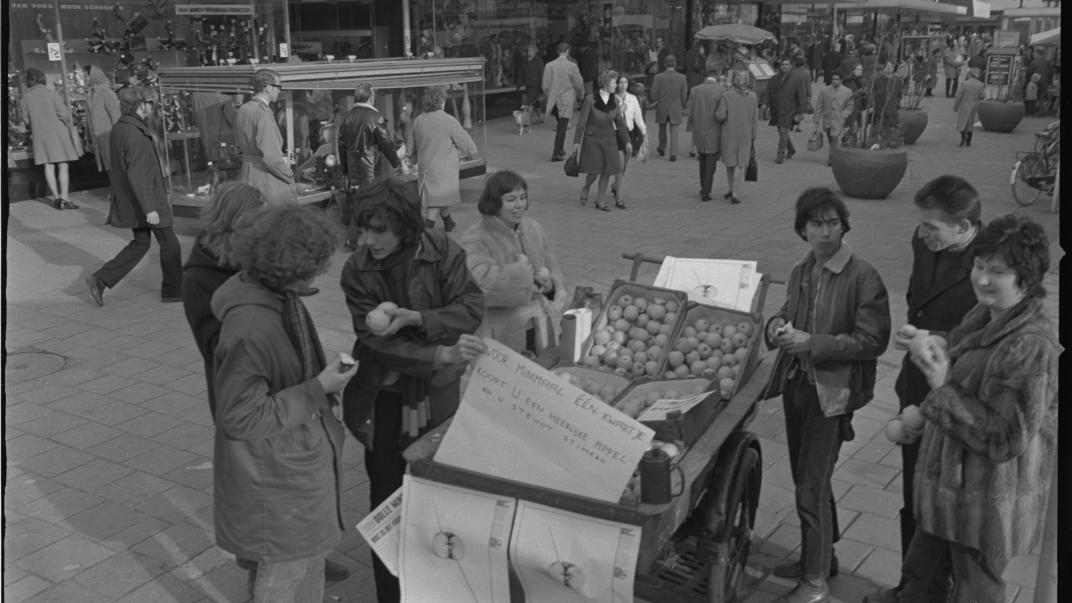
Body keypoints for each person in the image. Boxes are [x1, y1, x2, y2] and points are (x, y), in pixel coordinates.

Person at [865, 214, 1059, 603]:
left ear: (1025, 281)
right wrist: (932, 342)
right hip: (948, 487)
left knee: (976, 589)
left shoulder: (1030, 346)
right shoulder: (986, 314)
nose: (982, 279)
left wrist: (942, 386)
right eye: (980, 265)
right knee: (921, 572)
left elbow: (1005, 439)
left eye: (997, 272)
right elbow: (966, 355)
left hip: (984, 503)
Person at [339, 178, 485, 603]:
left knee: (436, 494)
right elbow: (374, 341)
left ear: (404, 226)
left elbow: (471, 307)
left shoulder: (441, 250)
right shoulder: (357, 269)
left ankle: (437, 588)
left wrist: (419, 318)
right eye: (363, 230)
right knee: (388, 500)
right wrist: (438, 355)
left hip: (437, 394)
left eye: (379, 231)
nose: (369, 241)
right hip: (384, 397)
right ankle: (392, 593)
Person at [211, 204, 356, 603]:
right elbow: (240, 417)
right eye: (316, 264)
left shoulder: (275, 295)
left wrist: (320, 385)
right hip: (276, 476)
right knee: (285, 571)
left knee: (304, 561)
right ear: (293, 266)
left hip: (290, 465)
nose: (320, 272)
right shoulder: (252, 326)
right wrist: (317, 388)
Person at [761, 187, 891, 603]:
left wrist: (813, 343)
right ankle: (821, 558)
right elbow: (789, 311)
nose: (825, 232)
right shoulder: (803, 269)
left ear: (844, 225)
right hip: (797, 385)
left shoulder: (863, 276)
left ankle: (814, 581)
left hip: (831, 394)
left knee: (810, 486)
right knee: (807, 478)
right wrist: (776, 327)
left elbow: (872, 340)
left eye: (833, 223)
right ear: (803, 229)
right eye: (816, 224)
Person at [85, 86, 183, 306]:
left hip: (134, 198)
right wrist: (150, 208)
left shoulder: (122, 128)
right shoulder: (134, 133)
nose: (152, 107)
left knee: (141, 243)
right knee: (170, 244)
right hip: (147, 199)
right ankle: (173, 290)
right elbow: (138, 174)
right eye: (150, 103)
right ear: (140, 104)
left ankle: (100, 279)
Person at [461, 170, 568, 355]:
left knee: (543, 368)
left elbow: (551, 265)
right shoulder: (476, 236)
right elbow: (479, 284)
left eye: (523, 197)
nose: (519, 205)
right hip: (502, 332)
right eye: (511, 199)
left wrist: (551, 286)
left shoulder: (533, 228)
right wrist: (523, 280)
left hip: (539, 326)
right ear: (494, 203)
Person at [338, 82, 401, 244]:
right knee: (371, 203)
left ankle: (359, 238)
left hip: (353, 170)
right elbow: (386, 143)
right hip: (370, 169)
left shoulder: (346, 118)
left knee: (363, 202)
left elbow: (341, 146)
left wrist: (345, 171)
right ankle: (356, 239)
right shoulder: (375, 117)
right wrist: (396, 162)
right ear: (371, 97)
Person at [411, 85, 479, 232]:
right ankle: (426, 231)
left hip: (425, 169)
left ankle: (449, 221)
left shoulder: (418, 120)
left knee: (438, 197)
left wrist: (412, 159)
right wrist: (471, 152)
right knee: (437, 202)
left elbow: (413, 146)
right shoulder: (448, 120)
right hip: (443, 169)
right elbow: (465, 141)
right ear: (442, 101)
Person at [19, 67, 82, 210]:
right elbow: (64, 114)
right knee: (63, 165)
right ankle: (65, 197)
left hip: (40, 135)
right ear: (42, 78)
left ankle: (57, 198)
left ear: (28, 81)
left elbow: (26, 120)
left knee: (48, 165)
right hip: (57, 133)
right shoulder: (52, 93)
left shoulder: (25, 98)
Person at [573, 69, 631, 211]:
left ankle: (600, 201)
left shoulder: (615, 100)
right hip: (593, 139)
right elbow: (581, 123)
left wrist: (627, 141)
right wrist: (576, 142)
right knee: (594, 170)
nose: (616, 85)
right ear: (606, 83)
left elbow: (620, 123)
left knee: (606, 170)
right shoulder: (590, 99)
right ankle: (586, 187)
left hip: (609, 139)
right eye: (614, 82)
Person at [235, 69, 295, 205]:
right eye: (278, 87)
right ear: (268, 88)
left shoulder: (243, 110)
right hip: (266, 180)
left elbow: (238, 145)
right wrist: (289, 175)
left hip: (246, 176)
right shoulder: (262, 114)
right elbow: (271, 158)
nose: (279, 90)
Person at [715, 70, 758, 205]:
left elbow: (721, 115)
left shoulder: (727, 95)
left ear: (734, 80)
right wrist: (754, 135)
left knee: (730, 162)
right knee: (740, 164)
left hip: (729, 132)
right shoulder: (753, 96)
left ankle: (730, 189)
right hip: (745, 133)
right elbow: (755, 118)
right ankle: (734, 192)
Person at [542, 42, 585, 162]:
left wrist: (549, 95)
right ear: (567, 52)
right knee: (562, 127)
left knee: (560, 125)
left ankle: (560, 150)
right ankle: (556, 153)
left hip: (553, 100)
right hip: (566, 99)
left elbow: (545, 86)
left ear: (557, 52)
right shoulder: (572, 66)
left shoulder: (549, 65)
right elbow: (579, 84)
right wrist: (581, 95)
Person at [687, 69, 725, 202]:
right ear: (717, 77)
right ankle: (706, 190)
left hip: (699, 129)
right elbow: (722, 114)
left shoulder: (695, 90)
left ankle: (703, 186)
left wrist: (691, 127)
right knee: (711, 160)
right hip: (714, 129)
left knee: (702, 158)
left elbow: (690, 112)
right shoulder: (722, 91)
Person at [612, 74, 647, 206]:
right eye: (620, 82)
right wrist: (620, 110)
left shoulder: (632, 98)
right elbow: (609, 116)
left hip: (629, 133)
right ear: (616, 84)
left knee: (624, 165)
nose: (623, 85)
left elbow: (637, 115)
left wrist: (644, 131)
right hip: (616, 133)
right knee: (620, 165)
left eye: (625, 82)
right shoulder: (612, 98)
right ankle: (619, 198)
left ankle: (615, 185)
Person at [771, 56, 810, 164]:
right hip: (778, 109)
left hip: (789, 110)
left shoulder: (796, 79)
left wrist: (802, 111)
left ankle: (780, 156)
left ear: (791, 66)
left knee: (783, 131)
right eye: (783, 64)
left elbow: (801, 95)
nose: (785, 66)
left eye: (787, 64)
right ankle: (791, 149)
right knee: (780, 131)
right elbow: (770, 91)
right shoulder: (775, 78)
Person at [649, 54, 688, 161]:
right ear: (675, 63)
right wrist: (683, 105)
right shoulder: (682, 78)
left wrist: (655, 101)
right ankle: (673, 153)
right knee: (674, 130)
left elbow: (653, 92)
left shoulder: (658, 77)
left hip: (662, 105)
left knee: (662, 128)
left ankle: (662, 147)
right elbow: (684, 94)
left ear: (664, 64)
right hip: (675, 106)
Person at [84, 66, 121, 174]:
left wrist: (118, 137)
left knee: (115, 166)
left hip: (109, 135)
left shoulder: (106, 92)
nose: (84, 79)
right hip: (98, 137)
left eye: (86, 76)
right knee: (108, 166)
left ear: (93, 76)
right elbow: (89, 119)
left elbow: (116, 115)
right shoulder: (90, 94)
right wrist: (88, 137)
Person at [813, 73, 853, 166]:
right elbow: (819, 104)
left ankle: (832, 159)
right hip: (827, 118)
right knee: (830, 138)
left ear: (841, 80)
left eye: (837, 79)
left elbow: (850, 106)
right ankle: (835, 154)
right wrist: (816, 117)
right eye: (833, 79)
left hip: (838, 119)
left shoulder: (848, 92)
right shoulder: (825, 90)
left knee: (834, 138)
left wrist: (843, 115)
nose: (834, 81)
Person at [953, 68, 985, 147]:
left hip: (965, 104)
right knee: (970, 122)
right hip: (974, 104)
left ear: (969, 74)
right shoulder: (981, 84)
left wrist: (956, 107)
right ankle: (968, 141)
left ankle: (963, 137)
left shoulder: (964, 84)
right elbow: (982, 96)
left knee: (962, 122)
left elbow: (959, 96)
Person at [520, 44, 545, 122]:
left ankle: (527, 120)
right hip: (526, 84)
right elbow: (521, 73)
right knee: (535, 102)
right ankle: (540, 118)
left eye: (531, 51)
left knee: (530, 102)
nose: (529, 52)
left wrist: (541, 86)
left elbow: (541, 74)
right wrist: (521, 84)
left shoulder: (539, 61)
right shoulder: (524, 60)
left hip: (535, 84)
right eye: (528, 51)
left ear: (535, 52)